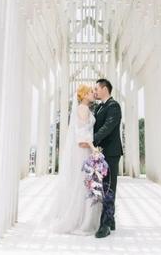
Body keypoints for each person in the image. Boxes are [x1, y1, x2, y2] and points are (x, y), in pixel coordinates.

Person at [42, 84, 103, 235]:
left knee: (83, 181)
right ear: (83, 95)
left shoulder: (84, 109)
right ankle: (82, 219)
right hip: (83, 148)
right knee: (83, 181)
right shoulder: (83, 109)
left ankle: (85, 217)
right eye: (89, 92)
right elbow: (82, 132)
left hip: (85, 147)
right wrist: (93, 147)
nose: (92, 93)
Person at [92, 78, 123, 238]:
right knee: (103, 186)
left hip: (111, 152)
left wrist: (93, 139)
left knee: (109, 187)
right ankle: (110, 220)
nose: (94, 91)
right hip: (100, 152)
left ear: (104, 89)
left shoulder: (114, 106)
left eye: (96, 88)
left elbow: (108, 126)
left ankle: (105, 225)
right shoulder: (98, 107)